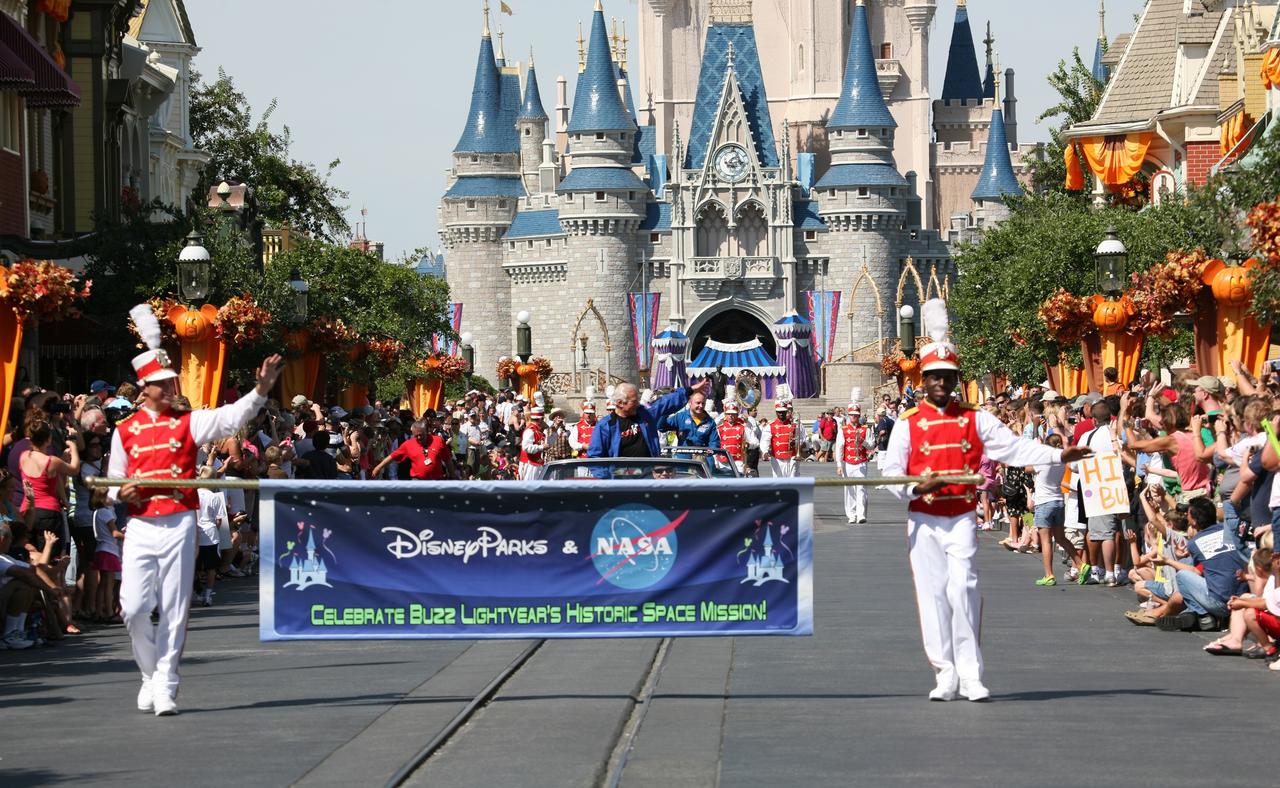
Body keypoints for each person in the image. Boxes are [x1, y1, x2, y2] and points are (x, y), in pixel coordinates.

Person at [883, 300, 1091, 702]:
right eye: (933, 377)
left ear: (956, 378)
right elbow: (893, 472)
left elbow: (1013, 449)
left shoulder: (976, 418)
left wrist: (1056, 455)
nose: (941, 383)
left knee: (963, 588)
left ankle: (971, 673)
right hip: (924, 519)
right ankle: (944, 673)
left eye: (947, 376)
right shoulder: (908, 423)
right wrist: (917, 487)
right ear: (923, 381)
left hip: (961, 516)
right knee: (932, 594)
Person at [109, 304, 283, 716]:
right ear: (145, 387)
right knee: (132, 608)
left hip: (179, 522)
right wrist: (123, 490)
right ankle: (149, 673)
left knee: (174, 605)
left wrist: (259, 391)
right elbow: (113, 483)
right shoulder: (124, 431)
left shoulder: (187, 423)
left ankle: (167, 680)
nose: (170, 388)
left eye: (171, 382)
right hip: (141, 525)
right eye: (162, 383)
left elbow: (228, 419)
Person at [588, 380, 711, 459]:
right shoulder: (606, 425)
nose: (638, 404)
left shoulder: (645, 415)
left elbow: (665, 402)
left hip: (648, 478)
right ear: (620, 403)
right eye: (634, 401)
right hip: (619, 482)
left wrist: (690, 390)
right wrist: (608, 481)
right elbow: (594, 457)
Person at [834, 399, 874, 524]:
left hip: (861, 462)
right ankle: (851, 514)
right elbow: (839, 447)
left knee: (861, 488)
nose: (853, 417)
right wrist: (839, 465)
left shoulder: (865, 429)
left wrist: (864, 443)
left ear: (859, 416)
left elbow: (872, 446)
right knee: (849, 489)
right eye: (851, 415)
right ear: (849, 415)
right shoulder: (843, 430)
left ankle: (861, 514)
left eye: (856, 415)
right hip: (848, 463)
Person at [371, 419, 449, 480]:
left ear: (426, 431)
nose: (419, 437)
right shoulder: (408, 444)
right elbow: (392, 456)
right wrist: (378, 467)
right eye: (416, 436)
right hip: (418, 482)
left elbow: (448, 459)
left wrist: (452, 475)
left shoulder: (438, 440)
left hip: (437, 482)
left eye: (421, 435)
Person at [715, 401, 757, 475]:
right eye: (729, 414)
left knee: (738, 483)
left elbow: (755, 442)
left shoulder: (743, 427)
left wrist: (748, 444)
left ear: (737, 414)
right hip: (723, 461)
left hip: (738, 461)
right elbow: (715, 445)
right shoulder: (719, 428)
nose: (731, 416)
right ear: (725, 414)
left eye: (733, 414)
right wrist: (716, 461)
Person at [761, 402, 798, 478]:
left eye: (783, 412)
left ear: (786, 412)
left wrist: (796, 443)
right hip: (777, 458)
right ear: (776, 412)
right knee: (778, 480)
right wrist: (765, 451)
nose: (781, 414)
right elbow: (765, 440)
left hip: (791, 457)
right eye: (779, 412)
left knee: (793, 480)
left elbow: (801, 438)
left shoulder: (794, 425)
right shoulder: (770, 426)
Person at [518, 406, 547, 480]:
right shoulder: (530, 430)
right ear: (540, 419)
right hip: (530, 465)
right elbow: (526, 447)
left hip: (535, 464)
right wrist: (541, 447)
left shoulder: (536, 430)